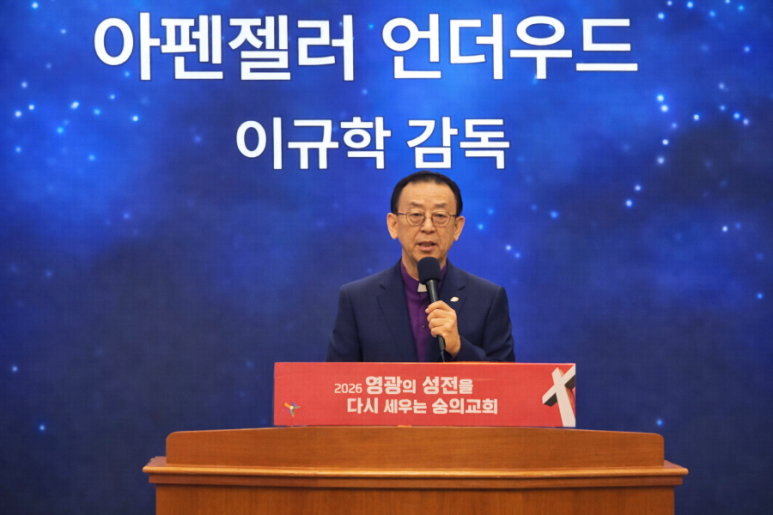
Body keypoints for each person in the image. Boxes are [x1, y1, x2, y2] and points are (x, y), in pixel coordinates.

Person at [326, 171, 515, 362]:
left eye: (440, 215)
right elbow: (337, 378)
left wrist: (459, 348)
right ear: (393, 225)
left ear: (457, 227)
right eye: (416, 215)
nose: (428, 227)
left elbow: (506, 377)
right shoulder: (357, 299)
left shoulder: (488, 299)